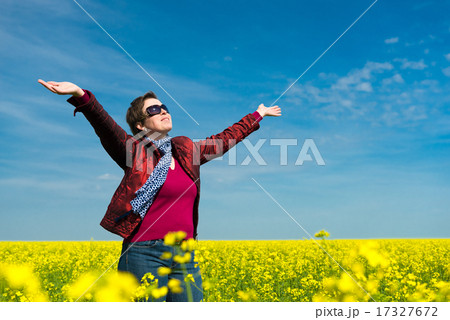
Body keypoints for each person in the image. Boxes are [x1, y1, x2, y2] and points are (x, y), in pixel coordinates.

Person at [38, 79, 281, 301]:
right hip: (144, 253)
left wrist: (257, 115)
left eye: (164, 107)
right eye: (153, 110)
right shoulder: (134, 152)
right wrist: (81, 95)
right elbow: (106, 126)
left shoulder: (186, 150)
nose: (163, 110)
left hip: (186, 255)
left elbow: (225, 139)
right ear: (140, 125)